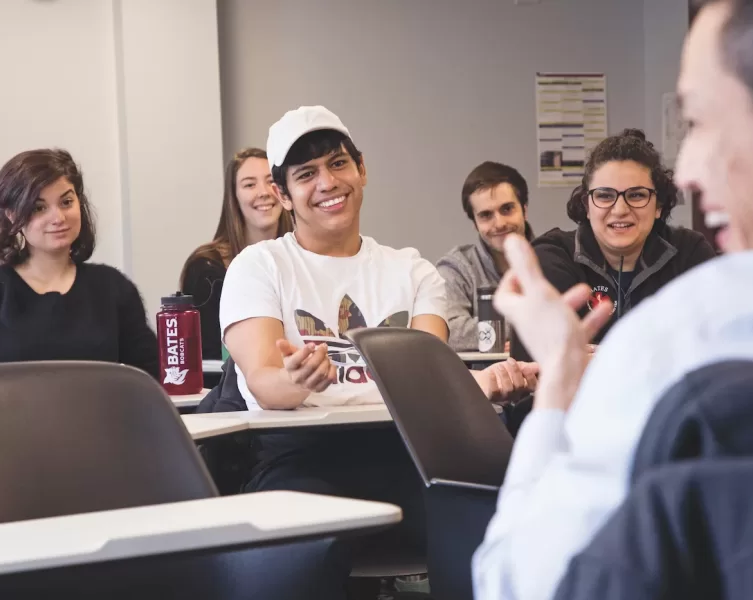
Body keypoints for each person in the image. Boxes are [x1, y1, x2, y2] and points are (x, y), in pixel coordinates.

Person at [473, 0, 753, 598]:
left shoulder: (681, 339)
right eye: (605, 196)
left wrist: (559, 380)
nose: (686, 170)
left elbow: (519, 582)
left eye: (703, 123)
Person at [219, 106, 538, 597]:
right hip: (300, 460)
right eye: (306, 174)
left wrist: (486, 382)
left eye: (337, 164)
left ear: (361, 169)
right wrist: (298, 380)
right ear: (283, 194)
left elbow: (428, 387)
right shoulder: (258, 266)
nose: (327, 182)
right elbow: (264, 380)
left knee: (507, 526)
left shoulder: (412, 272)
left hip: (410, 454)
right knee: (286, 563)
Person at [509, 129, 715, 363]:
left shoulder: (689, 253)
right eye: (605, 196)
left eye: (637, 195)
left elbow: (714, 345)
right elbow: (540, 362)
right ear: (587, 205)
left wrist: (601, 355)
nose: (620, 209)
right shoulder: (551, 257)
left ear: (658, 205)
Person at [0, 149, 159, 378]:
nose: (58, 218)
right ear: (11, 215)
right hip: (9, 414)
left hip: (101, 414)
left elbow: (148, 380)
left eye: (66, 202)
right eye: (39, 208)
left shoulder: (113, 287)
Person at [179, 148, 294, 360]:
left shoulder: (304, 259)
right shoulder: (206, 268)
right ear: (234, 196)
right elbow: (210, 357)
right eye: (250, 184)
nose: (264, 192)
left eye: (271, 181)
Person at [436, 161, 534, 352]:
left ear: (525, 210)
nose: (499, 223)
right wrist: (530, 327)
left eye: (507, 209)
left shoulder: (553, 257)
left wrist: (491, 335)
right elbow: (450, 331)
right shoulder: (456, 267)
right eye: (486, 215)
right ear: (475, 223)